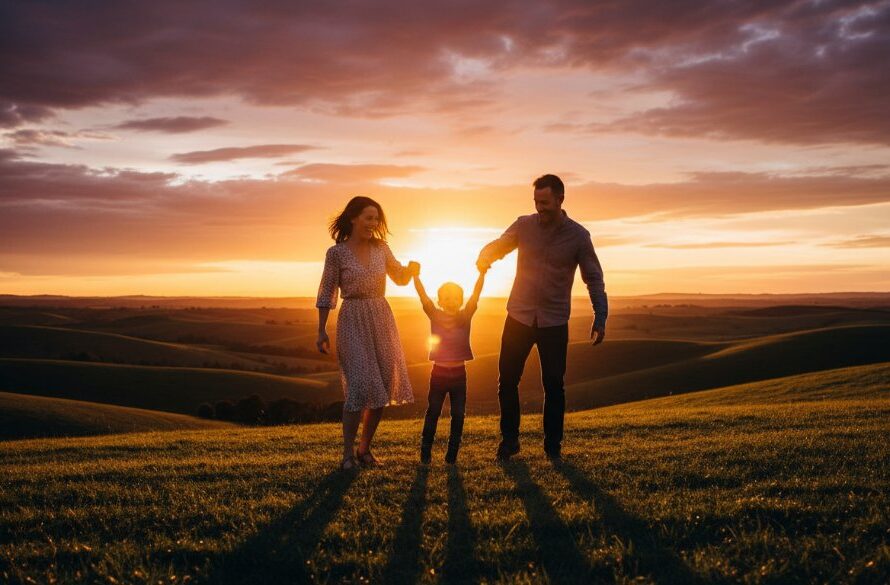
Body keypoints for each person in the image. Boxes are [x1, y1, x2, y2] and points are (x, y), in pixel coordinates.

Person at [476, 174, 608, 461]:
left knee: (554, 384)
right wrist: (485, 255)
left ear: (560, 199)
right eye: (536, 202)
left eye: (545, 202)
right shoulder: (524, 225)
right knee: (507, 381)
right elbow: (502, 244)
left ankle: (553, 446)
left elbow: (594, 278)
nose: (540, 208)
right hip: (519, 317)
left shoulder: (578, 236)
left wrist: (600, 316)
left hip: (554, 321)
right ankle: (510, 441)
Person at [316, 196, 419, 470]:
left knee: (381, 388)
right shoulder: (336, 253)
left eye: (376, 219)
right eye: (368, 217)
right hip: (352, 319)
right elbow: (327, 290)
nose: (373, 224)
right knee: (360, 387)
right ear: (353, 218)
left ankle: (364, 450)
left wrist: (411, 271)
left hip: (381, 318)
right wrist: (321, 330)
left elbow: (399, 278)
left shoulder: (381, 248)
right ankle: (347, 455)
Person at [412, 267, 487, 464]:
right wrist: (416, 276)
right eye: (446, 297)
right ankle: (425, 450)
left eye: (455, 297)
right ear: (440, 300)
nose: (451, 301)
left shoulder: (465, 315)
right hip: (438, 374)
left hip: (459, 375)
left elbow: (476, 294)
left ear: (460, 300)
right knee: (433, 411)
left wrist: (482, 274)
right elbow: (422, 296)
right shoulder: (435, 315)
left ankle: (452, 454)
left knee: (458, 414)